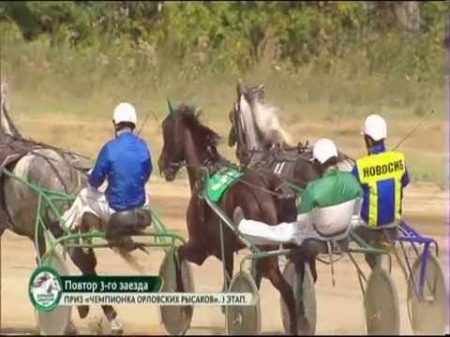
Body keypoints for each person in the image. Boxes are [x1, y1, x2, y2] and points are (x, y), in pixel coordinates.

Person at [233, 138, 363, 246]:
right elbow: (357, 208)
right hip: (344, 231)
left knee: (279, 230)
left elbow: (301, 220)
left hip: (318, 234)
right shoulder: (352, 181)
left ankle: (243, 227)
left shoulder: (313, 189)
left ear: (317, 163)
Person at [57, 102, 153, 233]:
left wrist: (95, 175)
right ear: (134, 124)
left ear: (115, 124)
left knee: (84, 195)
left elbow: (94, 182)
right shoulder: (144, 146)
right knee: (144, 189)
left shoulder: (109, 148)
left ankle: (64, 227)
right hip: (141, 208)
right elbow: (146, 173)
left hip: (116, 211)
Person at [351, 114, 410, 267]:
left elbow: (351, 191)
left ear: (368, 140)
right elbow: (404, 182)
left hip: (369, 229)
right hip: (394, 226)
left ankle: (375, 269)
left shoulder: (361, 166)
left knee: (350, 230)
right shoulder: (399, 159)